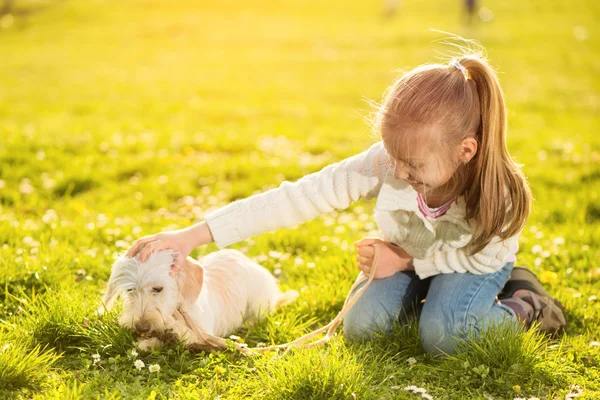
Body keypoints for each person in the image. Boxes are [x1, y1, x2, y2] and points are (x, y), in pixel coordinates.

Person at [126, 49, 567, 355]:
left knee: (447, 338)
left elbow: (475, 254)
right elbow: (298, 197)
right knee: (364, 329)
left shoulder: (499, 191)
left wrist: (406, 263)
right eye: (392, 158)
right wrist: (193, 235)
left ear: (464, 152)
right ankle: (425, 298)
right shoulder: (389, 162)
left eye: (412, 166)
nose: (398, 173)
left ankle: (523, 304)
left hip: (472, 263)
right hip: (404, 258)